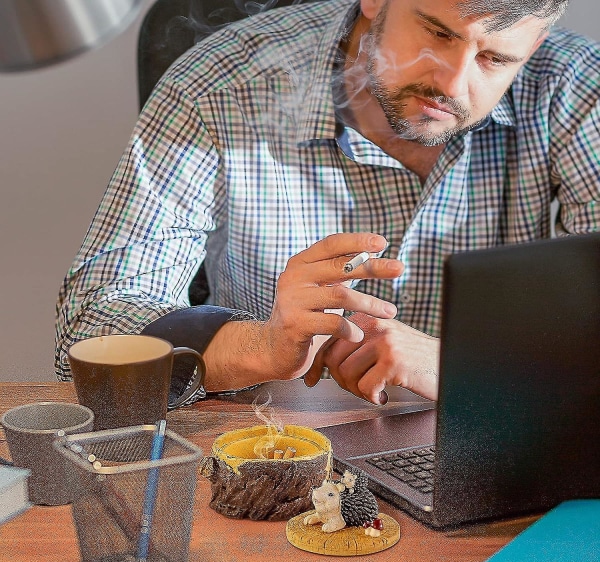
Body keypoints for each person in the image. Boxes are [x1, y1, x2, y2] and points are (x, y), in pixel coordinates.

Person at [55, 0, 599, 406]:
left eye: (494, 59)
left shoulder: (576, 90)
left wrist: (463, 370)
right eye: (436, 32)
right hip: (270, 451)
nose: (452, 82)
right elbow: (91, 327)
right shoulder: (219, 86)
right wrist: (260, 345)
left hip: (489, 447)